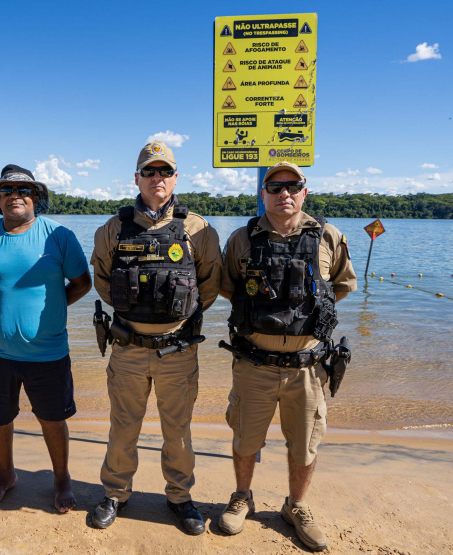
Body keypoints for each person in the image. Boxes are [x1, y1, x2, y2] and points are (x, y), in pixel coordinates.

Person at [216, 161, 356, 550]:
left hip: (308, 368)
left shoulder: (328, 235)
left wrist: (305, 317)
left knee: (305, 443)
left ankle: (296, 506)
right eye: (275, 187)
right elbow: (229, 287)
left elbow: (340, 286)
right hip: (253, 364)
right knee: (245, 438)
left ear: (304, 192)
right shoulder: (242, 239)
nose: (284, 194)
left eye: (293, 186)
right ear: (263, 194)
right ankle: (242, 496)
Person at [88, 141, 222, 535]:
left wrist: (173, 318)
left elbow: (209, 287)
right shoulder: (113, 228)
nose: (157, 178)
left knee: (178, 431)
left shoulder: (197, 228)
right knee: (122, 427)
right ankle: (115, 493)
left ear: (175, 178)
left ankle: (180, 497)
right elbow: (103, 284)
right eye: (149, 171)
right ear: (137, 178)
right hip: (128, 347)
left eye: (164, 171)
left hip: (177, 350)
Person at [0, 164, 92, 513]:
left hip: (48, 352)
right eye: (6, 191)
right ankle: (5, 475)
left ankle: (61, 478)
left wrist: (50, 311)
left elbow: (82, 283)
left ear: (35, 196)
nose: (15, 196)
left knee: (53, 419)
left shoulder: (59, 236)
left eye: (23, 190)